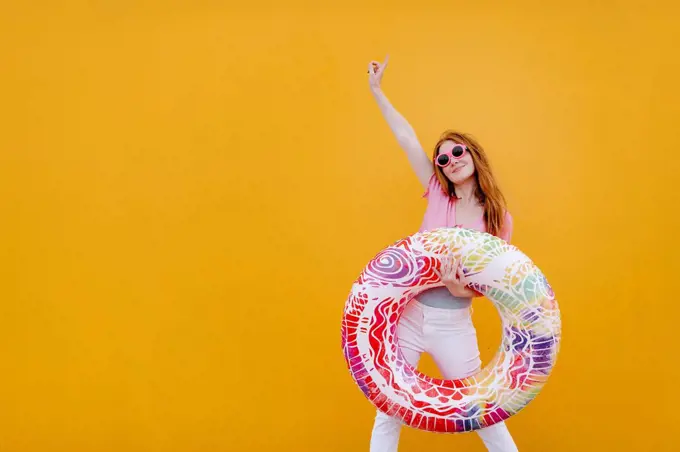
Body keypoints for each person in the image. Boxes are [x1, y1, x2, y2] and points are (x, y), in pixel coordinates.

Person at [367, 55, 519, 452]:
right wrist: (377, 91)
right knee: (388, 413)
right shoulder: (437, 192)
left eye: (457, 153)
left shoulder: (498, 218)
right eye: (442, 158)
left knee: (484, 416)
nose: (450, 161)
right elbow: (406, 138)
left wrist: (460, 289)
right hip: (411, 318)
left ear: (473, 155)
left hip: (454, 326)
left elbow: (496, 283)